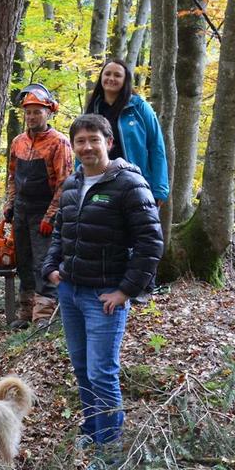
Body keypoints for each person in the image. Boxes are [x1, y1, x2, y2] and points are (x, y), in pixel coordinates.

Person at [41, 114, 163, 470]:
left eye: (94, 139)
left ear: (108, 142)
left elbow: (150, 243)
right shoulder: (73, 182)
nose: (87, 147)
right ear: (74, 146)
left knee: (102, 372)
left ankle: (111, 452)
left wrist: (126, 290)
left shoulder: (128, 183)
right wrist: (51, 267)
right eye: (80, 141)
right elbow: (61, 230)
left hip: (104, 298)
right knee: (82, 370)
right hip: (72, 291)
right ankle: (93, 432)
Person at [86, 59, 168, 303]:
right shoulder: (94, 109)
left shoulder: (138, 107)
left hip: (136, 181)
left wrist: (160, 188)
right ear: (101, 78)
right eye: (107, 74)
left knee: (141, 233)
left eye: (117, 75)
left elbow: (157, 147)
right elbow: (84, 145)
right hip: (101, 180)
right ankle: (114, 283)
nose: (111, 79)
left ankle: (143, 289)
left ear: (125, 81)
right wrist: (79, 178)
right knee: (109, 231)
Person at [2, 84, 73, 329]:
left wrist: (51, 216)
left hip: (45, 209)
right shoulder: (18, 142)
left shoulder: (59, 143)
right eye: (28, 112)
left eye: (37, 111)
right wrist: (10, 204)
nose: (32, 116)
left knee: (44, 261)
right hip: (22, 208)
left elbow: (64, 184)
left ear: (49, 112)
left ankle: (44, 316)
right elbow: (12, 177)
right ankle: (26, 312)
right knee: (23, 261)